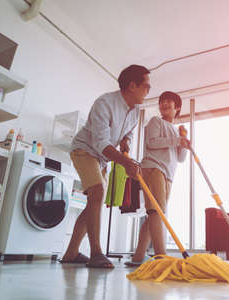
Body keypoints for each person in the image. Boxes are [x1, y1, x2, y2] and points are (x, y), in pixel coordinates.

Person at [60, 65, 150, 268]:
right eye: (146, 86)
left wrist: (126, 140)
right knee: (98, 192)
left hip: (101, 158)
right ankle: (96, 253)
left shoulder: (135, 111)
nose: (148, 91)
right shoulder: (104, 103)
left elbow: (129, 132)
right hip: (84, 150)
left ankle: (71, 254)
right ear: (132, 86)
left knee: (95, 200)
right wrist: (126, 162)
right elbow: (101, 142)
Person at [125, 91, 190, 266]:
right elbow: (152, 142)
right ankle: (162, 256)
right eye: (162, 102)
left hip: (168, 174)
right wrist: (177, 140)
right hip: (153, 167)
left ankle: (138, 257)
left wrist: (184, 140)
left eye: (169, 101)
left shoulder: (176, 131)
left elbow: (181, 158)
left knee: (153, 212)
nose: (164, 104)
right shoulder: (156, 121)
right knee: (156, 211)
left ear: (177, 108)